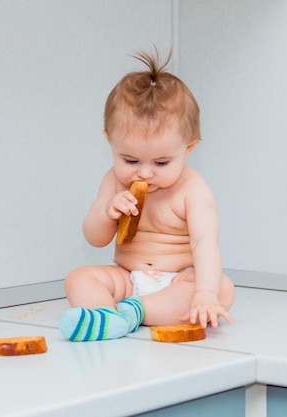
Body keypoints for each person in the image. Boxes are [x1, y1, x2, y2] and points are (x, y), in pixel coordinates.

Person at [59, 48, 235, 342]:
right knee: (78, 278)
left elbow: (206, 244)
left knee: (223, 289)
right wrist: (107, 213)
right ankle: (107, 317)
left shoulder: (193, 189)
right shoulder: (114, 181)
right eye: (130, 161)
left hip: (177, 279)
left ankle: (136, 312)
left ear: (188, 149)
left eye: (161, 163)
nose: (144, 173)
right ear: (109, 142)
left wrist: (204, 294)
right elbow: (94, 238)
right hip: (127, 277)